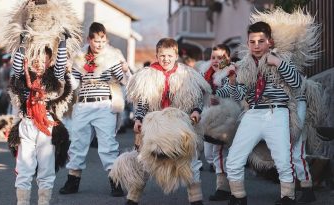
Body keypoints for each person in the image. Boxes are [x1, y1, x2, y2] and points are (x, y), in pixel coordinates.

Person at [122, 38, 211, 205]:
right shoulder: (147, 75)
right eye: (162, 55)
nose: (166, 59)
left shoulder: (188, 74)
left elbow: (197, 98)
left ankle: (196, 200)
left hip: (180, 124)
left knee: (190, 161)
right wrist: (139, 118)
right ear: (157, 55)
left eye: (170, 55)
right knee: (145, 160)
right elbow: (142, 102)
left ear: (176, 55)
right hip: (154, 124)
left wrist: (196, 111)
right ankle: (132, 199)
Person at [223, 21, 302, 205]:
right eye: (252, 41)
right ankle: (238, 196)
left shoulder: (282, 59)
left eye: (261, 41)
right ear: (247, 43)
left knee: (283, 159)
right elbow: (237, 96)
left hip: (277, 112)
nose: (256, 45)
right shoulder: (242, 65)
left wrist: (278, 63)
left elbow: (297, 82)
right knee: (234, 157)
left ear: (270, 42)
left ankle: (288, 198)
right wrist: (233, 81)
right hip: (252, 113)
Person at [59, 22, 130, 197]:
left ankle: (115, 181)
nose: (99, 44)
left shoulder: (112, 56)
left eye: (102, 40)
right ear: (89, 39)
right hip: (83, 104)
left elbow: (125, 81)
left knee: (108, 144)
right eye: (96, 40)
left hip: (104, 105)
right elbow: (74, 83)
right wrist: (68, 72)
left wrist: (126, 70)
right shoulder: (79, 57)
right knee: (78, 143)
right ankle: (72, 181)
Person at [8, 29, 71, 205]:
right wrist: (22, 44)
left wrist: (63, 42)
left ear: (49, 61)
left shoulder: (54, 78)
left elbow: (60, 67)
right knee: (24, 169)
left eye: (44, 59)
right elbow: (17, 66)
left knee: (46, 170)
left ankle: (43, 202)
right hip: (27, 125)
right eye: (35, 58)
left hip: (47, 127)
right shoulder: (23, 78)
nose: (39, 62)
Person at [198, 44, 237, 201]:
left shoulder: (230, 72)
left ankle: (224, 188)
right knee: (209, 154)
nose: (215, 61)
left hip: (224, 117)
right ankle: (227, 185)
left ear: (227, 58)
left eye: (220, 58)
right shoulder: (205, 72)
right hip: (208, 118)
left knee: (219, 153)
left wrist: (218, 96)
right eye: (213, 57)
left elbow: (231, 91)